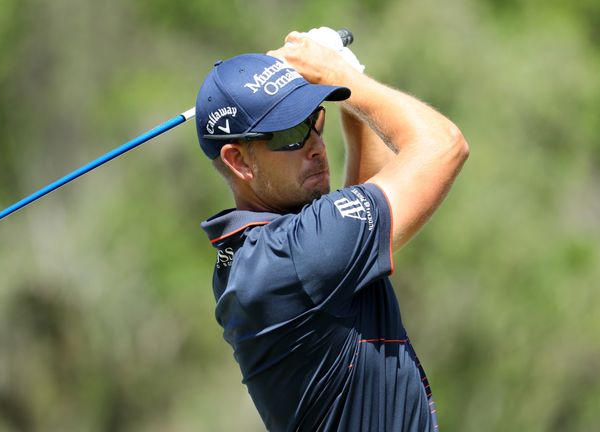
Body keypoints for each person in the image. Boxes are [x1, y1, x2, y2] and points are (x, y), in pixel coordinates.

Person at [195, 28, 468, 432]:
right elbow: (444, 146)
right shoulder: (295, 255)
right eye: (290, 134)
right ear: (239, 162)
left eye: (314, 121)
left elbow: (362, 200)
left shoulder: (261, 248)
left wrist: (342, 83)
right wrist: (347, 79)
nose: (316, 146)